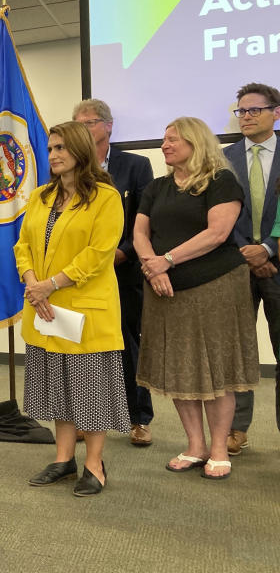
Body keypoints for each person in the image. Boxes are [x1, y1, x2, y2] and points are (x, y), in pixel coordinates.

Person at [134, 117, 260, 481]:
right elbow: (140, 232)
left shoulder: (221, 181)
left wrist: (167, 260)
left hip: (214, 286)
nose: (164, 145)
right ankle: (195, 446)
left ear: (195, 141)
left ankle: (219, 448)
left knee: (215, 369)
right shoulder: (157, 186)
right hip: (163, 289)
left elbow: (218, 233)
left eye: (172, 139)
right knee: (180, 368)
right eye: (163, 140)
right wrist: (154, 268)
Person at [14, 121, 127, 497]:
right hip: (44, 306)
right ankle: (64, 459)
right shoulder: (41, 196)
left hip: (83, 309)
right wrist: (32, 282)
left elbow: (98, 253)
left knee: (89, 390)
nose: (53, 155)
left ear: (80, 150)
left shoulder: (106, 197)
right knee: (58, 388)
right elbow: (23, 245)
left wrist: (52, 284)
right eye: (50, 149)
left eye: (60, 148)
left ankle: (94, 464)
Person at [72, 99, 156, 446]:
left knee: (129, 344)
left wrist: (119, 253)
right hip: (79, 275)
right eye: (78, 123)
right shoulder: (71, 170)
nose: (84, 129)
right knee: (84, 348)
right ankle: (88, 417)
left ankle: (139, 418)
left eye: (90, 123)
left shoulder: (135, 166)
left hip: (123, 271)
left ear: (108, 126)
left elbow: (144, 221)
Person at [223, 82, 280, 453]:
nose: (245, 117)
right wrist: (248, 250)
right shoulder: (224, 158)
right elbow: (218, 214)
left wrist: (268, 249)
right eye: (241, 111)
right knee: (237, 354)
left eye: (253, 110)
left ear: (275, 112)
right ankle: (236, 429)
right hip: (236, 266)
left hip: (277, 265)